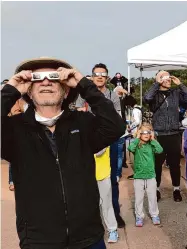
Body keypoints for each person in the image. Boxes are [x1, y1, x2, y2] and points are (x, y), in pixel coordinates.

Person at [1, 57, 126, 248]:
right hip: (38, 240)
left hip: (88, 237)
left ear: (66, 89)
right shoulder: (14, 129)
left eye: (54, 77)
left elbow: (116, 127)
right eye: (37, 78)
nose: (46, 82)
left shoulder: (83, 122)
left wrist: (84, 84)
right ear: (29, 92)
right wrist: (10, 90)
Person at [75, 63, 126, 228]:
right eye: (96, 73)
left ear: (107, 77)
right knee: (88, 179)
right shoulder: (83, 95)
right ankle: (92, 216)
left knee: (112, 179)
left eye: (103, 74)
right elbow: (78, 113)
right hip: (89, 141)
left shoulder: (113, 95)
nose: (99, 76)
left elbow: (117, 118)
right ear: (92, 76)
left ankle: (115, 214)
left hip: (110, 141)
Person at [143, 70, 187, 202]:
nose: (167, 79)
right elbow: (146, 98)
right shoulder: (155, 94)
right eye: (163, 77)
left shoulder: (175, 93)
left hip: (174, 133)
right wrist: (156, 84)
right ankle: (156, 189)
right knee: (157, 164)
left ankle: (176, 189)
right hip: (159, 134)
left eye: (168, 77)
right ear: (158, 79)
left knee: (175, 164)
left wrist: (180, 84)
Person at [127, 123, 163, 227]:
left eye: (149, 132)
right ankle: (139, 216)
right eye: (144, 132)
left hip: (151, 176)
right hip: (139, 176)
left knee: (152, 197)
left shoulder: (152, 144)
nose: (146, 134)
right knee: (139, 198)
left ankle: (155, 214)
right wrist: (137, 138)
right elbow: (130, 148)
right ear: (139, 133)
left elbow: (160, 150)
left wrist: (153, 139)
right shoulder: (137, 144)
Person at [94, 146, 119, 243]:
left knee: (106, 205)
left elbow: (98, 152)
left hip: (102, 174)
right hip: (86, 174)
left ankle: (112, 230)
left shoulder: (101, 134)